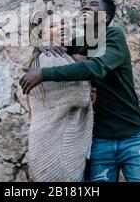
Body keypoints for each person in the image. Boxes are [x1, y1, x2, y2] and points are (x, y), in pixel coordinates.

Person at [20, 0, 140, 182]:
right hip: (99, 141)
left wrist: (44, 74)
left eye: (94, 5)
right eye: (84, 4)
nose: (86, 6)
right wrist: (41, 47)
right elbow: (47, 53)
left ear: (105, 17)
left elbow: (98, 67)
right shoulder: (79, 43)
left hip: (132, 136)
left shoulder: (114, 36)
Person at [24, 11, 95, 182]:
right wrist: (89, 89)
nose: (63, 28)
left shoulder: (58, 56)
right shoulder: (50, 58)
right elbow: (80, 96)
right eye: (55, 25)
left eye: (64, 23)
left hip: (50, 140)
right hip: (56, 146)